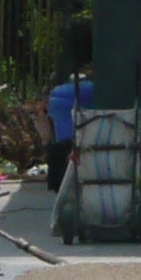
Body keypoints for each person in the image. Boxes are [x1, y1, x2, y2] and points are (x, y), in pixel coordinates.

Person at [42, 64, 95, 194]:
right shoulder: (92, 91)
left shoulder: (57, 94)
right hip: (87, 139)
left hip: (62, 141)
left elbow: (50, 117)